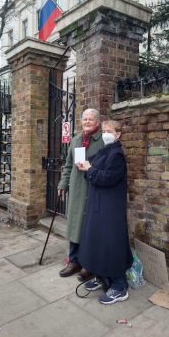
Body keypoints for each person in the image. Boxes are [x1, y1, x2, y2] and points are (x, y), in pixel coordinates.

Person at [77, 120, 133, 305]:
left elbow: (107, 177)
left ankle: (119, 287)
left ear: (118, 135)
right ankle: (101, 277)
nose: (106, 134)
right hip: (98, 204)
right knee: (97, 242)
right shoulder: (104, 150)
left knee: (111, 244)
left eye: (110, 131)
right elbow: (93, 167)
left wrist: (90, 169)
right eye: (104, 131)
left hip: (110, 208)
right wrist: (87, 166)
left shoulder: (116, 155)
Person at [58, 109, 104, 280]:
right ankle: (74, 260)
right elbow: (68, 165)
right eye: (85, 119)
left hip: (94, 189)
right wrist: (63, 184)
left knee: (90, 227)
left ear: (97, 122)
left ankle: (88, 264)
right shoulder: (76, 140)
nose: (87, 122)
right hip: (77, 189)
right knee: (75, 225)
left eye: (91, 119)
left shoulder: (102, 141)